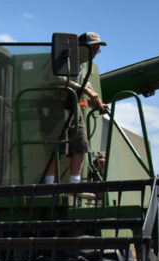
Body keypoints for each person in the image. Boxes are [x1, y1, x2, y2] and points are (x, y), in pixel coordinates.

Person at [42, 32, 109, 184]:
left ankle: (75, 184)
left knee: (81, 145)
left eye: (97, 50)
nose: (95, 53)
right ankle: (49, 184)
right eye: (92, 49)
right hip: (55, 104)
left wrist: (97, 101)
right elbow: (56, 79)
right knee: (58, 146)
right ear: (80, 47)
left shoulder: (85, 64)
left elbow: (87, 83)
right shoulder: (62, 58)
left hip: (73, 105)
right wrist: (85, 90)